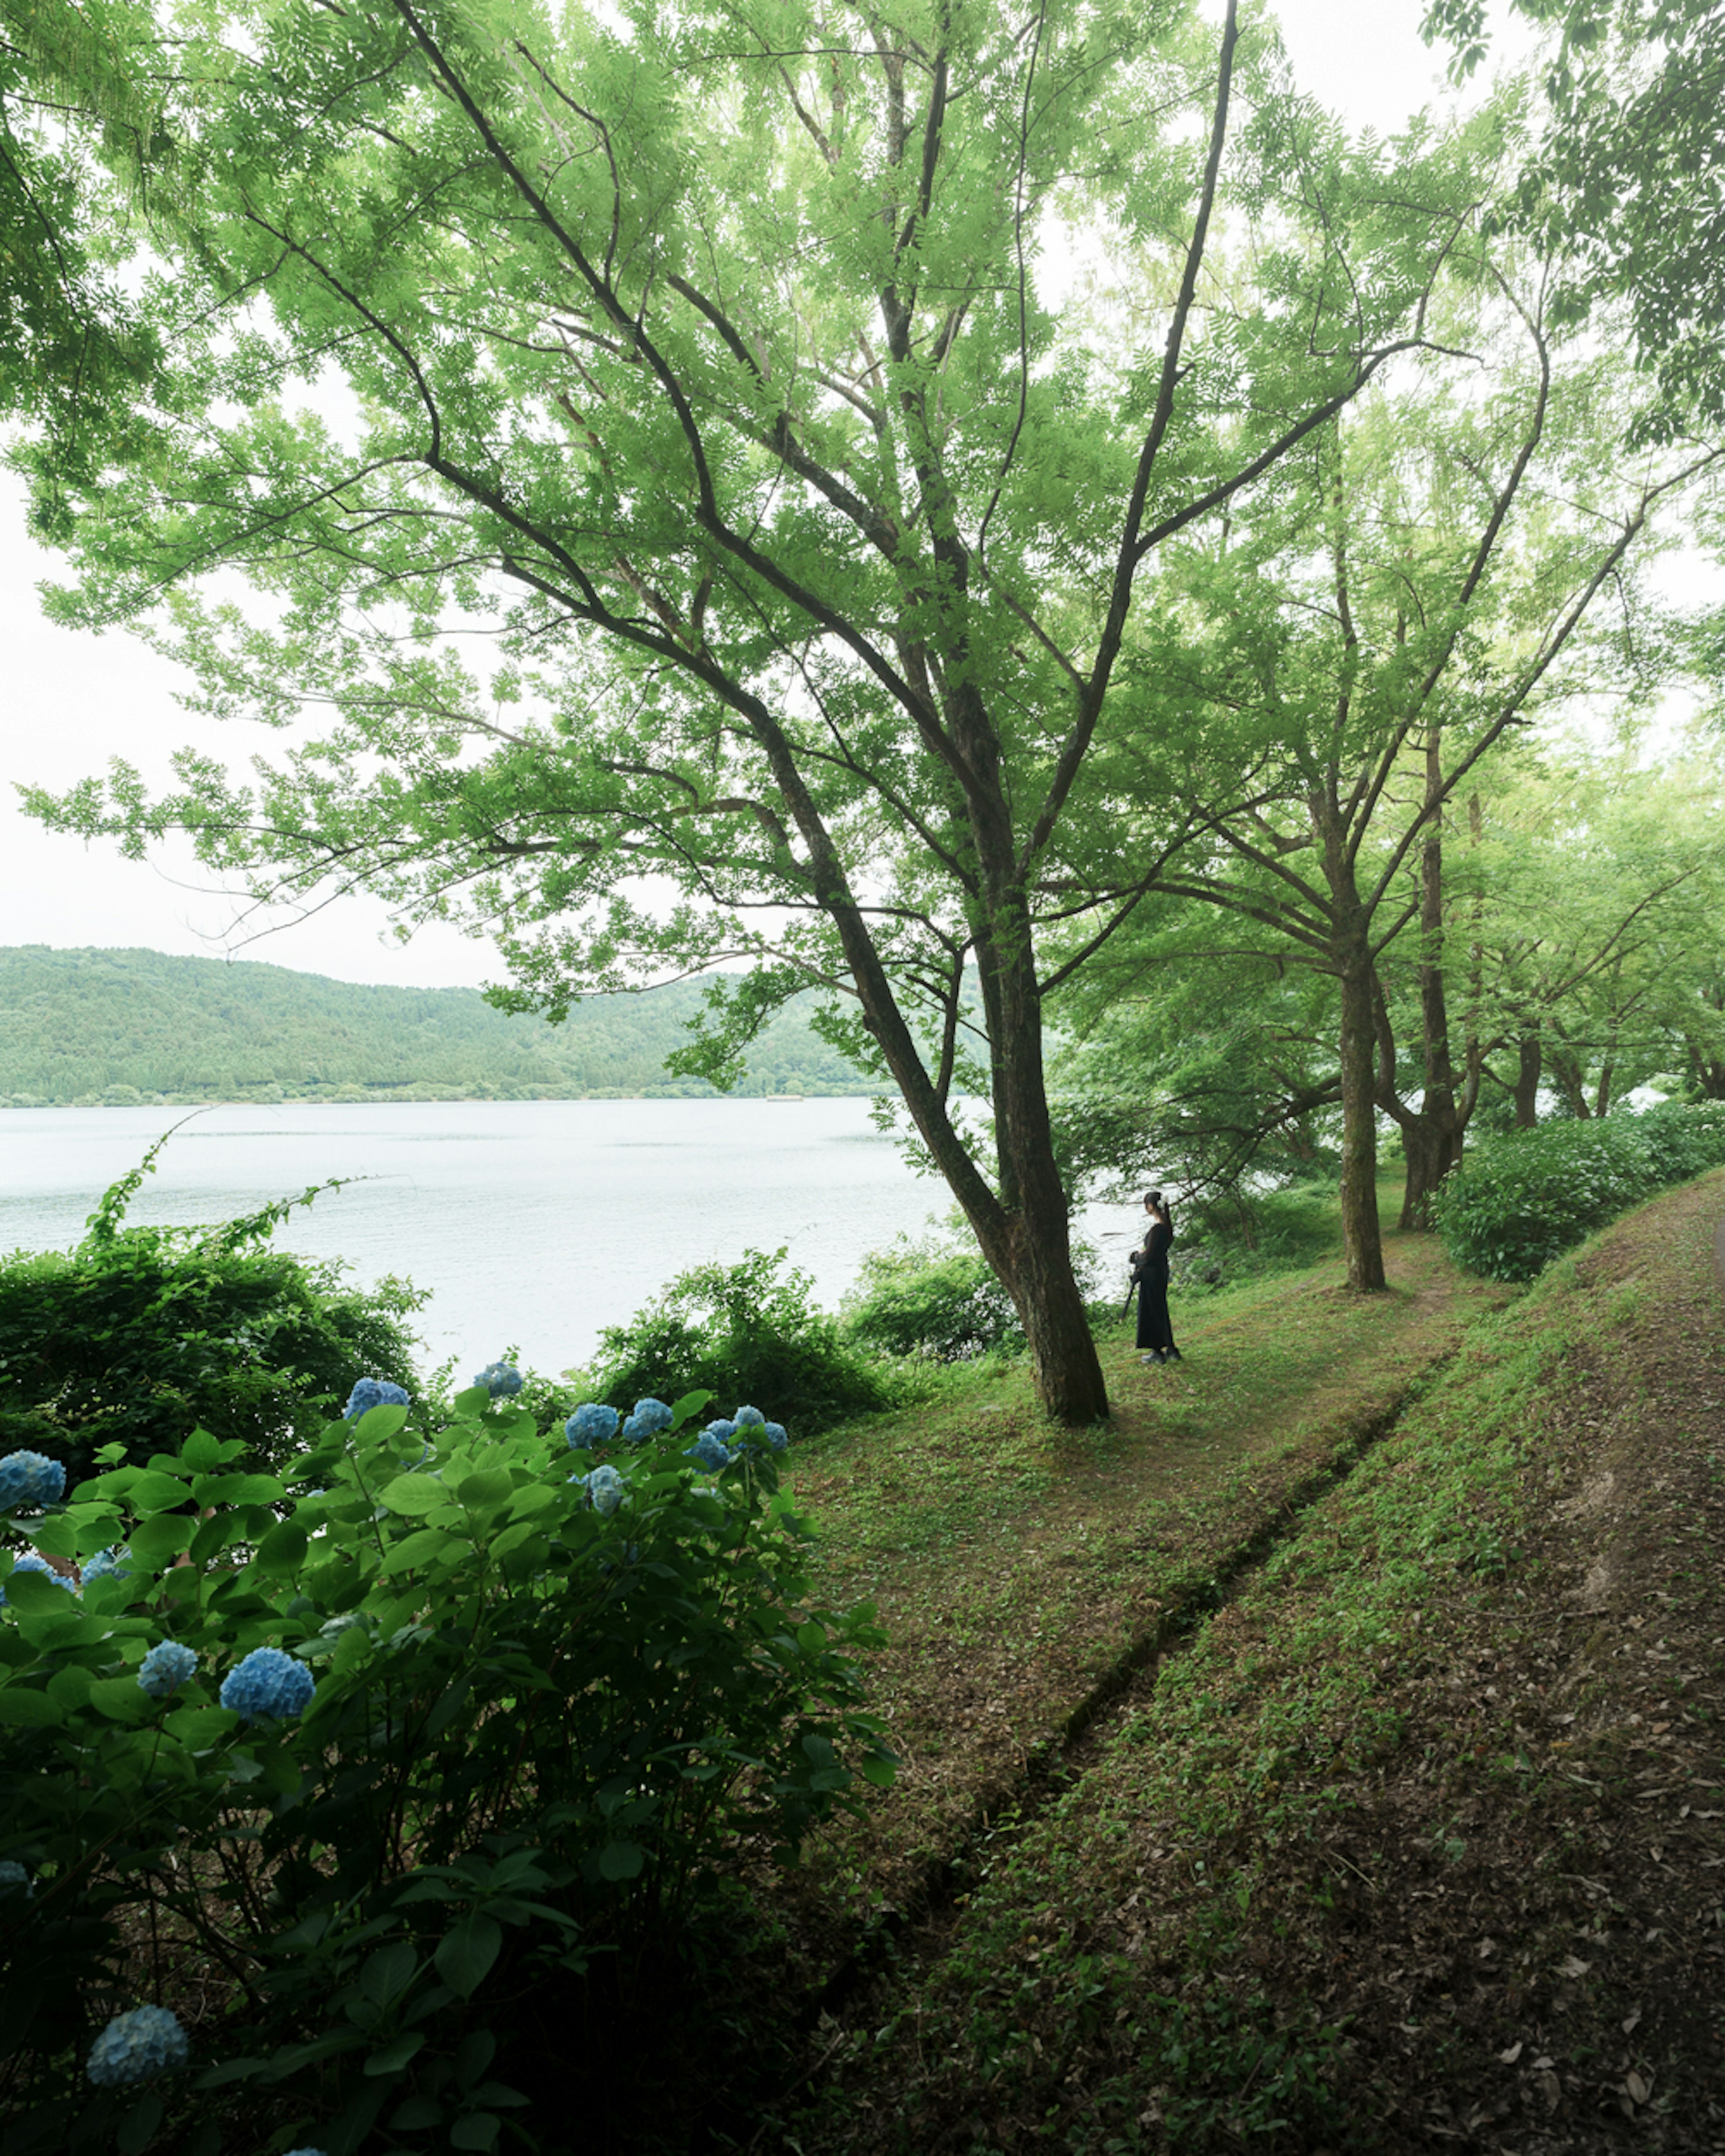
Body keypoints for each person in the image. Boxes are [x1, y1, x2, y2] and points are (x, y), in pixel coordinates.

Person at [1132, 1189, 1181, 1365]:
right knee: (1160, 1308)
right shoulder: (1167, 1228)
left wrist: (1136, 1257)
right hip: (1161, 1271)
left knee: (1151, 1310)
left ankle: (1157, 1351)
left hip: (1152, 1275)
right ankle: (1170, 1348)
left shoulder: (1157, 1230)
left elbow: (1149, 1255)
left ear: (1151, 1206)